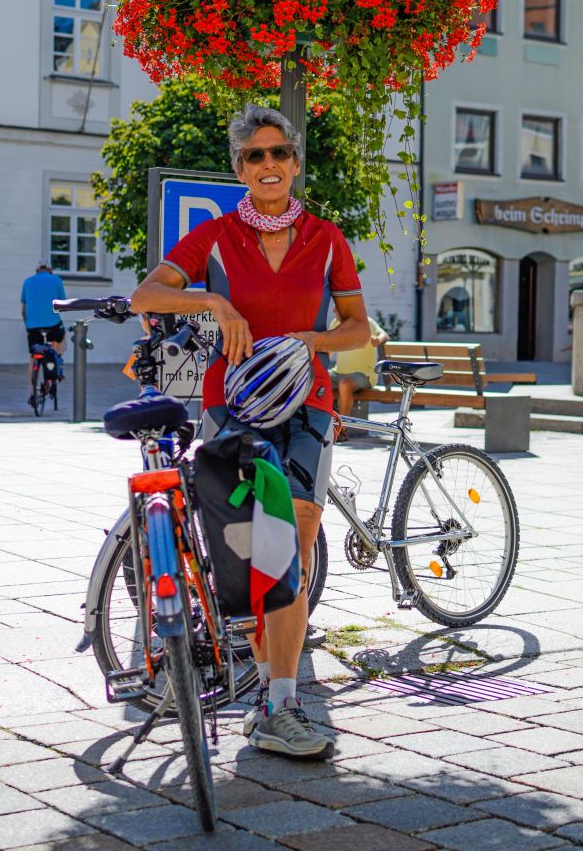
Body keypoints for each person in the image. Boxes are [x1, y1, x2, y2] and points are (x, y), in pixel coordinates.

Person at [131, 103, 370, 760]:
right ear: (239, 169)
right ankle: (266, 690)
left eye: (278, 153)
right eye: (254, 155)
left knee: (293, 545)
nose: (268, 164)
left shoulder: (326, 238)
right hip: (231, 404)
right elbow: (147, 295)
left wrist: (309, 340)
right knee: (250, 549)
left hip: (306, 403)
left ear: (294, 163)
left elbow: (357, 328)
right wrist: (213, 300)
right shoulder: (214, 237)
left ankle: (279, 702)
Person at [329, 315, 389, 440]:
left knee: (345, 384)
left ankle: (342, 430)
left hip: (364, 374)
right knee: (317, 379)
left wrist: (377, 340)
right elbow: (329, 347)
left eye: (337, 308)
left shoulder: (365, 321)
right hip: (338, 372)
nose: (334, 310)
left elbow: (385, 335)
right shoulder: (335, 322)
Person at [21, 261, 67, 386]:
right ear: (50, 270)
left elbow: (23, 311)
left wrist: (28, 326)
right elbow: (62, 305)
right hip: (53, 326)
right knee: (60, 339)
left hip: (33, 327)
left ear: (37, 270)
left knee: (33, 354)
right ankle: (57, 361)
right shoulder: (56, 280)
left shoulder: (27, 282)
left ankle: (32, 391)